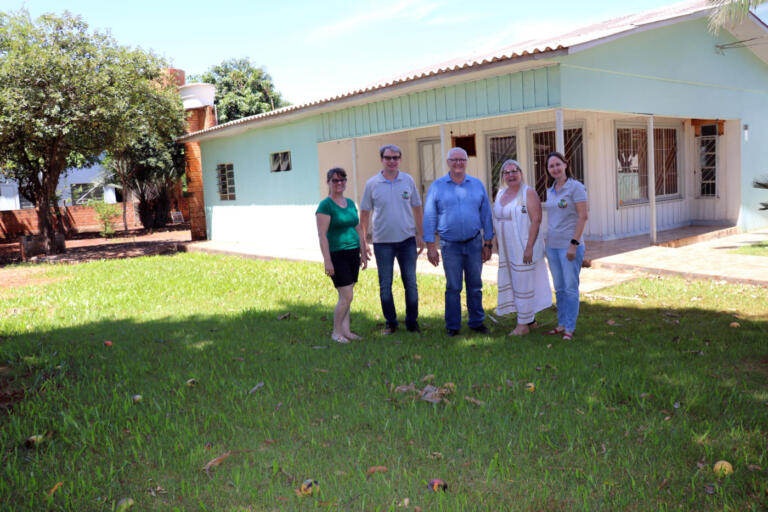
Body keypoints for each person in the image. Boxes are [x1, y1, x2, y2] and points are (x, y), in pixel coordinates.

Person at [423, 147, 494, 336]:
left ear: (466, 162)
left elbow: (486, 214)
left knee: (475, 285)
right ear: (448, 162)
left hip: (473, 243)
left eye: (462, 160)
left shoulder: (477, 185)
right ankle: (453, 326)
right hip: (450, 245)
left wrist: (488, 243)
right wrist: (431, 246)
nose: (458, 163)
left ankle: (477, 322)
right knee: (453, 286)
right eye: (454, 160)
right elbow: (429, 216)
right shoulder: (437, 186)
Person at [360, 144, 424, 335]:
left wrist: (420, 234)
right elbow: (364, 214)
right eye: (388, 158)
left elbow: (418, 208)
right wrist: (364, 241)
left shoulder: (408, 180)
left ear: (400, 160)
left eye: (396, 158)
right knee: (385, 285)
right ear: (382, 160)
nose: (392, 161)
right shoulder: (372, 184)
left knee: (410, 283)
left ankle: (412, 323)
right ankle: (391, 323)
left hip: (407, 241)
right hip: (382, 243)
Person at [493, 159, 552, 336]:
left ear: (521, 173)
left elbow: (536, 220)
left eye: (514, 171)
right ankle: (529, 319)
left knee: (523, 282)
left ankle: (523, 325)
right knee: (513, 281)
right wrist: (496, 238)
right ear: (503, 176)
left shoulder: (528, 193)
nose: (511, 174)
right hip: (506, 246)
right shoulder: (500, 194)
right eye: (507, 172)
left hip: (522, 245)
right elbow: (496, 217)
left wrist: (529, 247)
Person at [316, 167, 369, 343]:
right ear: (328, 183)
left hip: (352, 252)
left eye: (342, 180)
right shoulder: (326, 205)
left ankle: (346, 331)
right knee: (346, 296)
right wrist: (327, 261)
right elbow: (322, 235)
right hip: (337, 254)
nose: (339, 183)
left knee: (347, 295)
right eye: (335, 180)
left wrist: (363, 250)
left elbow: (358, 228)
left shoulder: (350, 203)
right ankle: (336, 332)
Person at [542, 151, 588, 341]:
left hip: (569, 246)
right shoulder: (550, 190)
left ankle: (570, 327)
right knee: (559, 288)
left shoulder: (576, 187)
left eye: (557, 164)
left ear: (565, 165)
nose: (555, 169)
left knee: (570, 287)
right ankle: (561, 324)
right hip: (552, 247)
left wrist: (574, 244)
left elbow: (583, 216)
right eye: (551, 166)